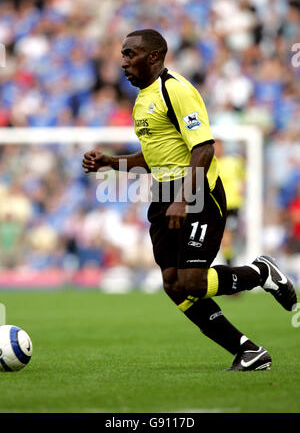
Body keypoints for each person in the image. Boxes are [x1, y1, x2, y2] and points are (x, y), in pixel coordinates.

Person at [82, 29, 297, 371]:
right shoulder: (142, 98)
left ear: (153, 56)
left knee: (193, 281)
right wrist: (112, 162)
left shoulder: (176, 90)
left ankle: (260, 272)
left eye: (129, 54)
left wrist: (184, 198)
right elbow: (154, 158)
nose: (122, 61)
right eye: (122, 54)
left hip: (197, 193)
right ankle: (247, 351)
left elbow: (204, 148)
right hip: (163, 194)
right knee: (172, 283)